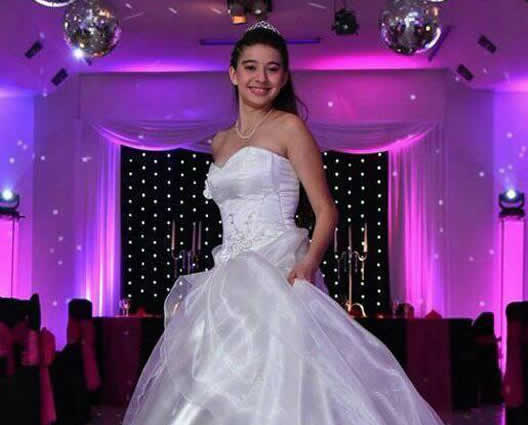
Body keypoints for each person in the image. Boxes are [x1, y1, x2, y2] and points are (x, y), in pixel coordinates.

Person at [122, 21, 445, 425]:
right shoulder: (220, 141)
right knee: (217, 388)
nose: (261, 77)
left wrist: (307, 264)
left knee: (282, 386)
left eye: (272, 68)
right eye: (251, 67)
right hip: (227, 279)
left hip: (278, 271)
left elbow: (326, 210)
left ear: (284, 76)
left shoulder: (290, 128)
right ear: (233, 73)